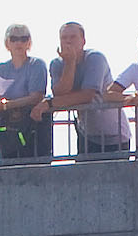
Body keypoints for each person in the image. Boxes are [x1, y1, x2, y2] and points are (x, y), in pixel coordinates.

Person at [50, 21, 122, 161]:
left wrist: (51, 103)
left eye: (73, 37)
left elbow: (88, 94)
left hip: (113, 134)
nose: (68, 41)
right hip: (86, 132)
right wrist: (70, 63)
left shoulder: (95, 58)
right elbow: (60, 93)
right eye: (64, 38)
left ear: (83, 41)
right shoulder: (57, 64)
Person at [0, 24, 52, 166]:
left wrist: (6, 105)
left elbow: (36, 96)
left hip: (32, 131)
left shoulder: (37, 65)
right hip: (8, 134)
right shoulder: (1, 68)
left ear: (29, 43)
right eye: (14, 38)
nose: (19, 43)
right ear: (7, 43)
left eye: (23, 38)